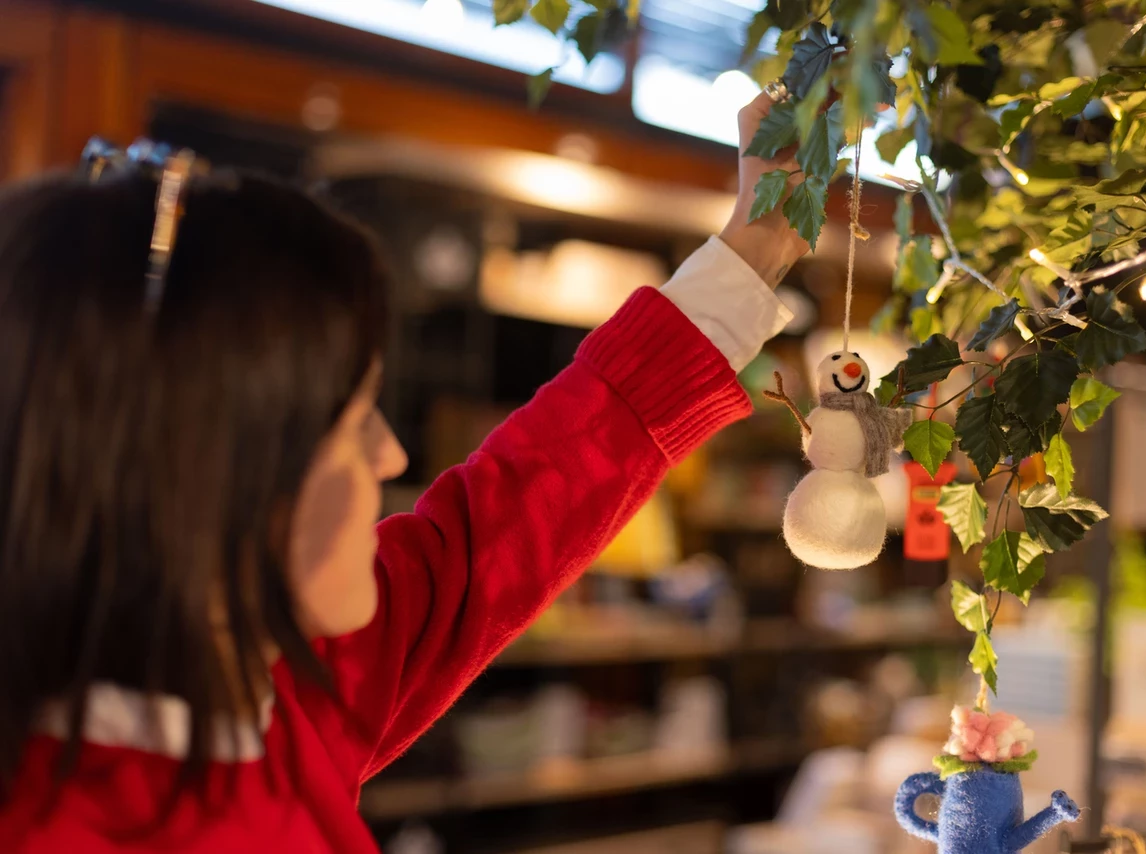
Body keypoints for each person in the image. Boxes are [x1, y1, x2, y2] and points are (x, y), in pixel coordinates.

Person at [0, 91, 812, 851]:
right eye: (354, 423)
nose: (390, 455)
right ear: (216, 469)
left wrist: (755, 249)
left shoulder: (272, 681)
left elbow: (507, 516)